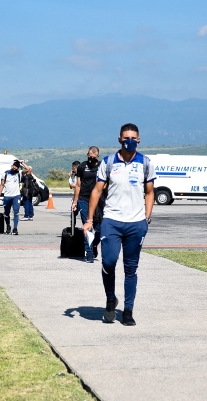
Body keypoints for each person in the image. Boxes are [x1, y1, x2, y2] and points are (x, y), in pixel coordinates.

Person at [83, 123, 156, 326]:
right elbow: (96, 192)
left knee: (131, 268)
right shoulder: (107, 163)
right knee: (108, 262)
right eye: (126, 138)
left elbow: (150, 193)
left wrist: (146, 218)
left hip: (136, 223)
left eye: (133, 138)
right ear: (119, 139)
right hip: (112, 221)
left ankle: (128, 311)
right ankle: (110, 298)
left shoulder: (146, 163)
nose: (130, 141)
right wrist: (89, 220)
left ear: (139, 140)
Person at [72, 146, 101, 263]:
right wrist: (75, 201)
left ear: (97, 156)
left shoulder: (101, 167)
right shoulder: (82, 166)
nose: (91, 158)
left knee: (100, 229)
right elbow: (78, 185)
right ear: (87, 154)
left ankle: (94, 245)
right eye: (89, 156)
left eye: (94, 156)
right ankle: (89, 254)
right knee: (87, 226)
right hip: (84, 199)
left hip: (98, 201)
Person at [0, 160, 23, 235]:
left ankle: (15, 228)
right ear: (12, 166)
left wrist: (21, 162)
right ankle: (8, 226)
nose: (14, 168)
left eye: (16, 167)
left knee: (16, 212)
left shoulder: (19, 173)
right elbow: (2, 185)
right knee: (6, 213)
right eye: (14, 166)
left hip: (16, 196)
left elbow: (28, 169)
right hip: (7, 196)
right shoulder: (5, 174)